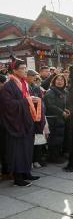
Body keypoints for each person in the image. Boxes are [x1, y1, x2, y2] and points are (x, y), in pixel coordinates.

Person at [0, 58, 42, 186]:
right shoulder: (9, 85)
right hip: (16, 123)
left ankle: (26, 172)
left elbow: (26, 99)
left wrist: (32, 101)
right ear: (14, 70)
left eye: (25, 68)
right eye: (22, 69)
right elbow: (7, 105)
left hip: (26, 120)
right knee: (17, 150)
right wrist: (27, 101)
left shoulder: (25, 83)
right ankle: (17, 177)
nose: (25, 71)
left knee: (27, 148)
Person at [44, 74, 69, 164]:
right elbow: (50, 106)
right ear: (54, 81)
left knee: (59, 139)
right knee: (54, 139)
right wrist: (61, 112)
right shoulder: (50, 92)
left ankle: (58, 155)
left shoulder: (64, 91)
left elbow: (62, 104)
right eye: (57, 80)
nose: (60, 81)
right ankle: (53, 157)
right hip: (53, 119)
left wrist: (65, 109)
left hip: (60, 119)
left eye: (62, 80)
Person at [0, 74, 11, 180]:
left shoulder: (5, 93)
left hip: (4, 125)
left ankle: (6, 172)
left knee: (5, 150)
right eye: (4, 83)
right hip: (3, 125)